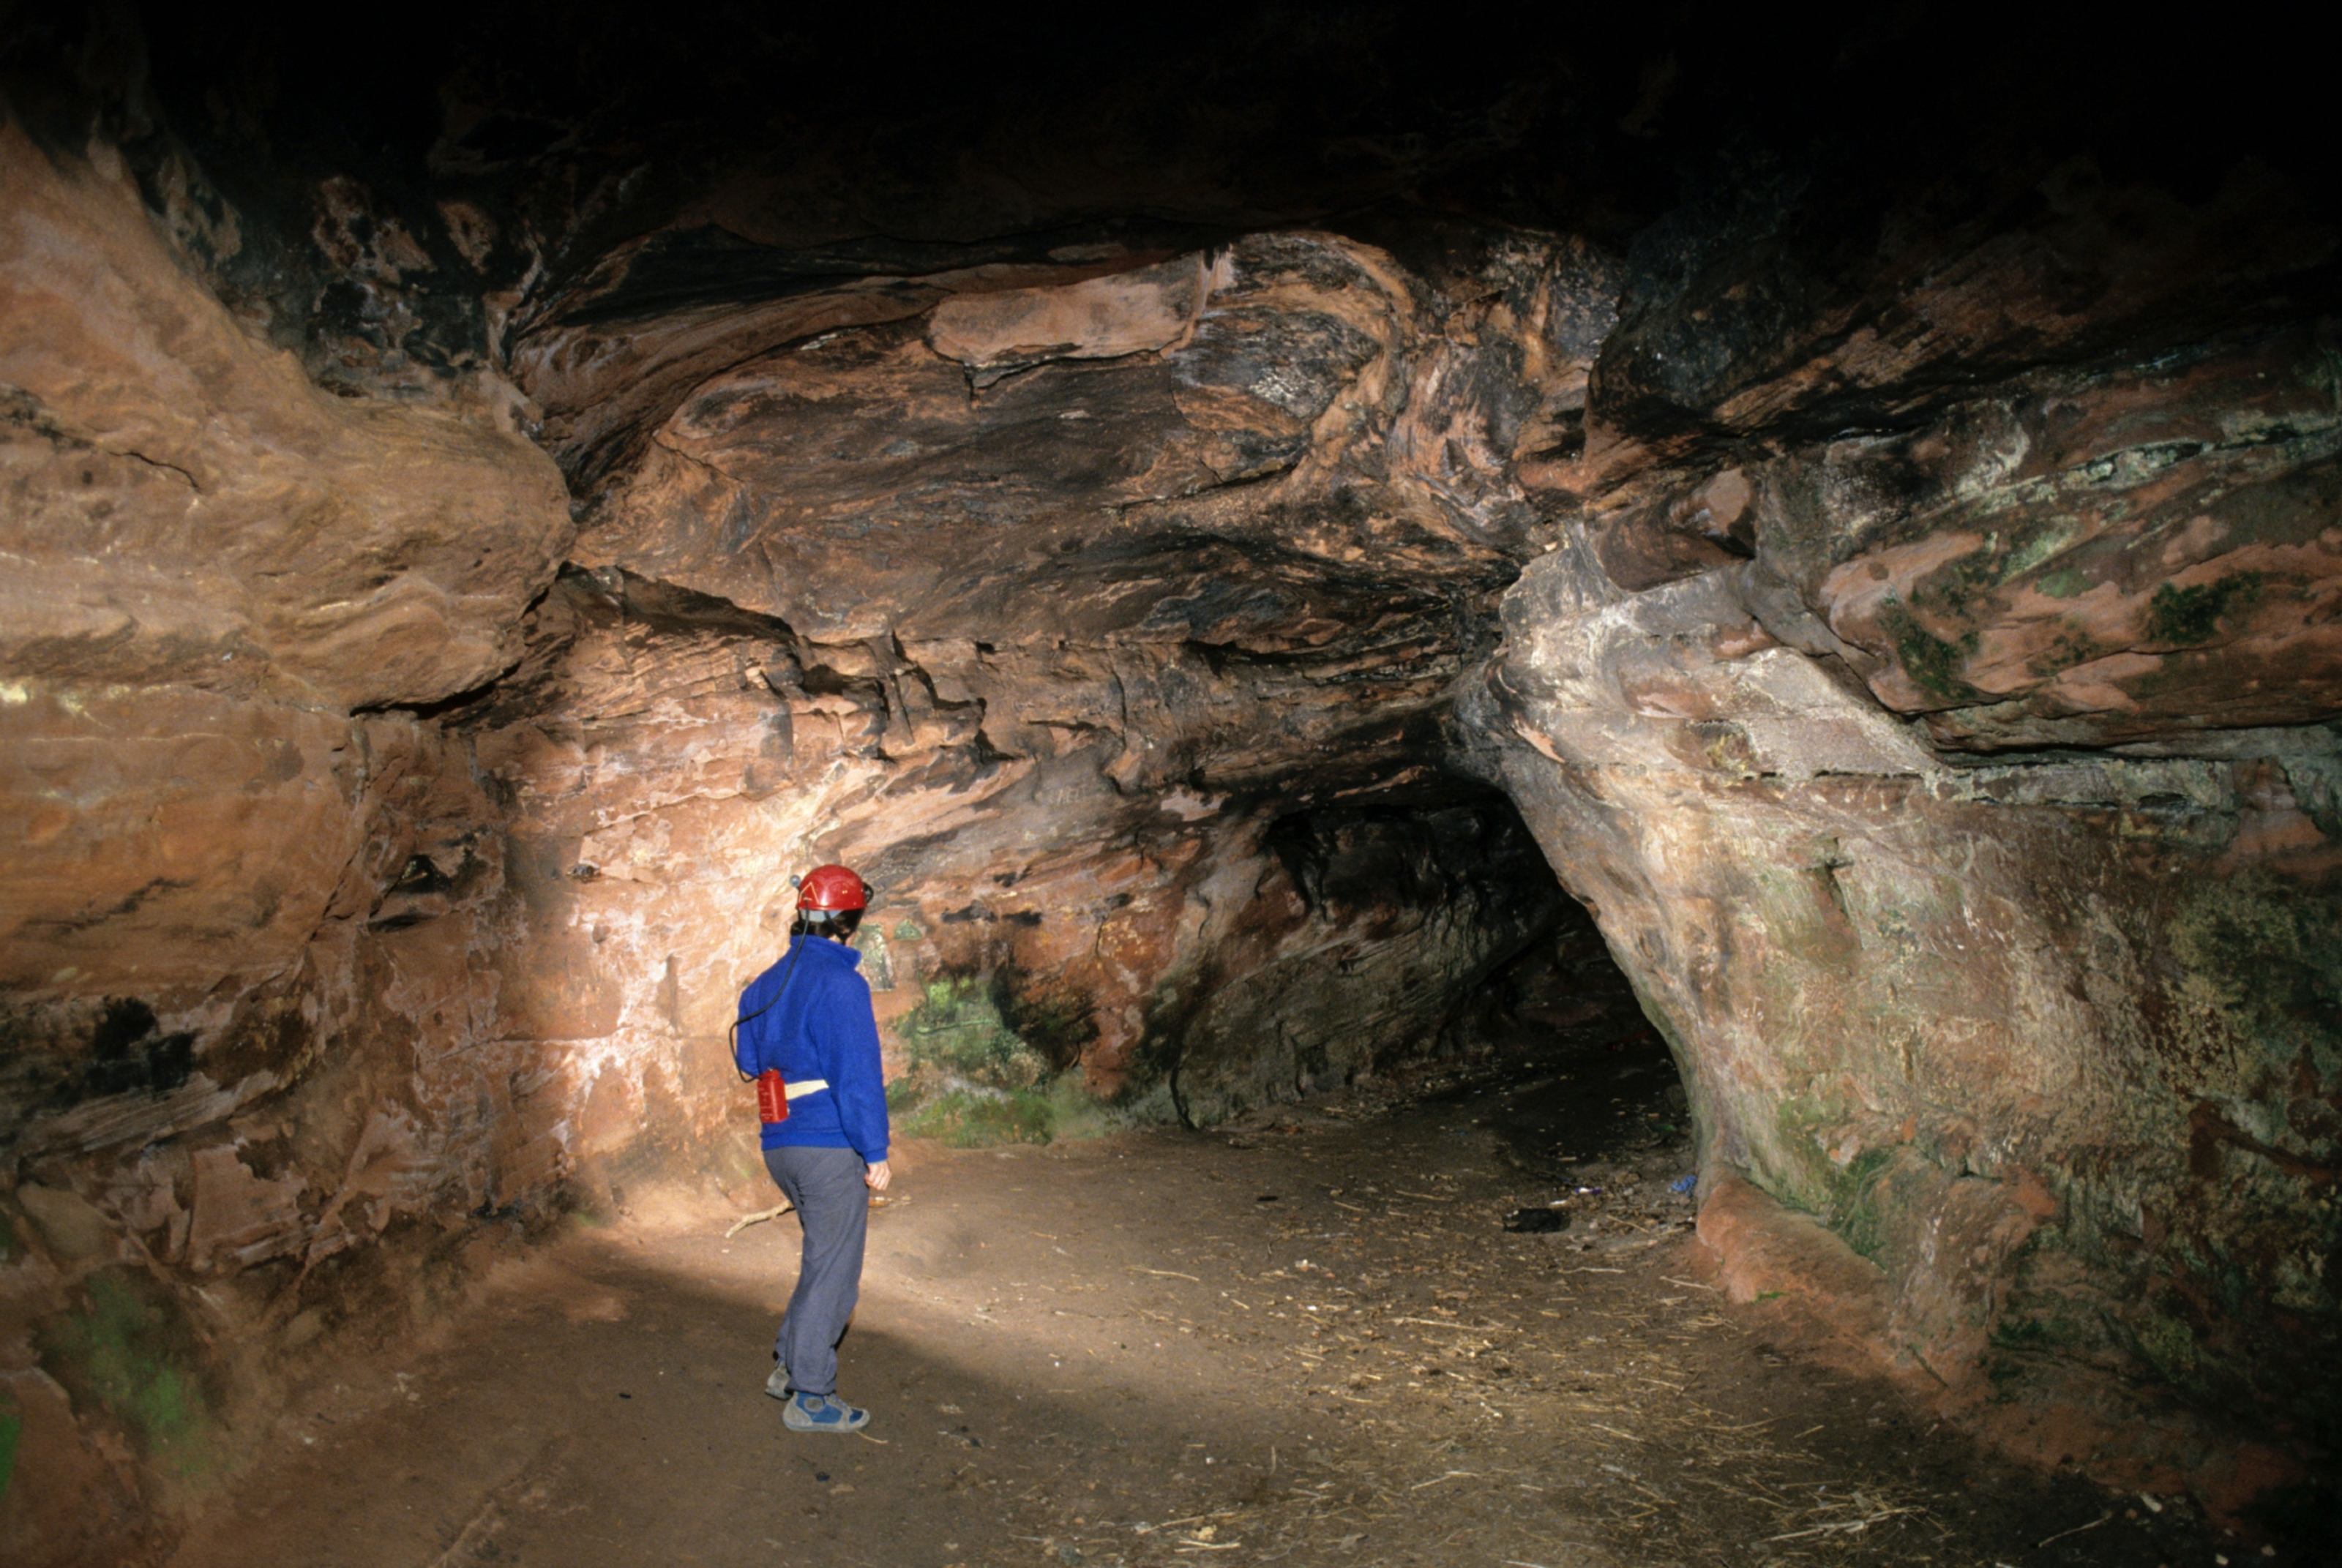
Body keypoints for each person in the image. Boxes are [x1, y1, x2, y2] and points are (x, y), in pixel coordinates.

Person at [731, 863, 892, 1433]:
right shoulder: (841, 984)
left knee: (821, 1259)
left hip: (780, 1144)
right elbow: (858, 1076)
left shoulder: (762, 983)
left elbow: (749, 1062)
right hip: (827, 1145)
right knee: (836, 1271)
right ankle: (812, 1396)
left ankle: (787, 1365)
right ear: (847, 922)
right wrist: (876, 1151)